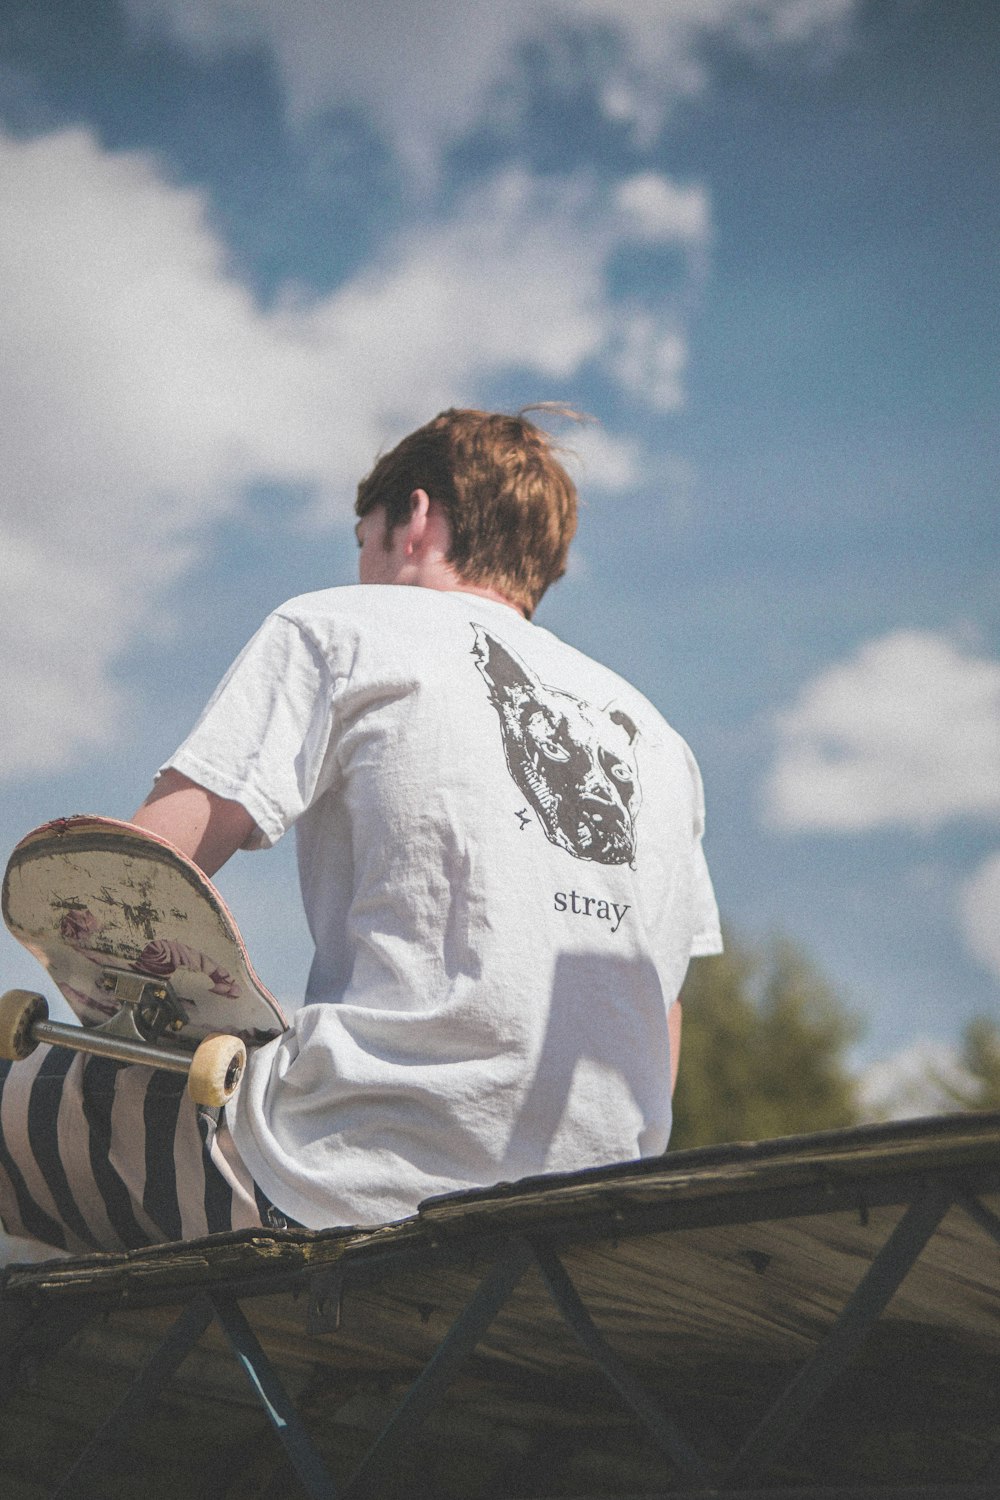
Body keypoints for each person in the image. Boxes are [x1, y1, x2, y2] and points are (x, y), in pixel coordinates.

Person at [0, 407, 721, 1254]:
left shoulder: (339, 627)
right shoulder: (663, 743)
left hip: (342, 1187)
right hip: (590, 1227)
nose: (361, 562)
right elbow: (658, 1009)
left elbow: (127, 877)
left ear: (414, 518)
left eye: (362, 537)